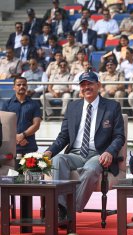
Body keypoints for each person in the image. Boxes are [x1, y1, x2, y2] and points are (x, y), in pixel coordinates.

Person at [44, 71, 125, 217]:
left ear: (98, 85)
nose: (86, 87)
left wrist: (109, 151)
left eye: (90, 84)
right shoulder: (72, 107)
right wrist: (50, 151)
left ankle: (68, 212)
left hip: (98, 154)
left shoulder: (112, 107)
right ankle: (61, 207)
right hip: (75, 153)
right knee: (56, 160)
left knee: (90, 170)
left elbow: (119, 136)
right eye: (83, 85)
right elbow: (64, 136)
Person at [1, 77, 41, 155]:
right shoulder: (7, 104)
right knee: (11, 168)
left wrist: (23, 135)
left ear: (27, 86)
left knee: (30, 168)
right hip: (11, 147)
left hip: (29, 146)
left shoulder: (34, 104)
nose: (21, 86)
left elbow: (36, 124)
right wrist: (16, 137)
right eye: (18, 85)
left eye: (24, 84)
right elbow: (4, 125)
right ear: (14, 87)